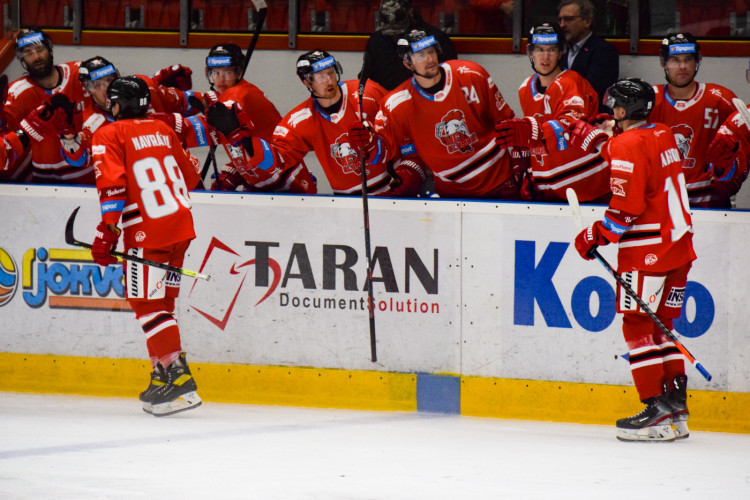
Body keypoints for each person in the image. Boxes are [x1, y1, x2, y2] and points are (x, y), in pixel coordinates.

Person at [569, 78, 695, 442]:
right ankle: (675, 408)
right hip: (679, 247)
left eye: (614, 107)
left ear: (623, 110)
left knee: (637, 327)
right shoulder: (663, 133)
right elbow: (635, 155)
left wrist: (594, 235)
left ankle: (655, 409)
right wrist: (603, 139)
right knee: (663, 327)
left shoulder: (626, 144)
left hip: (647, 252)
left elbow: (625, 209)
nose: (611, 112)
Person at [90, 76, 203, 417]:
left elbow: (112, 186)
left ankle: (179, 377)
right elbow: (192, 177)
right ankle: (161, 375)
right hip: (181, 228)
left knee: (147, 306)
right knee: (162, 305)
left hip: (147, 233)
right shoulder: (163, 130)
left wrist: (107, 232)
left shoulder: (108, 134)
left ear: (116, 105)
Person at [223, 49, 423, 196]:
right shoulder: (300, 121)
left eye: (331, 72)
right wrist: (247, 142)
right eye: (320, 76)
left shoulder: (368, 93)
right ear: (306, 82)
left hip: (392, 191)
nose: (329, 80)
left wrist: (411, 168)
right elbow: (279, 162)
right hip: (346, 201)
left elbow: (403, 126)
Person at [351, 30, 522, 199]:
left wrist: (519, 165)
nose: (430, 59)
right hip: (451, 194)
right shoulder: (395, 104)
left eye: (431, 51)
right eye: (421, 55)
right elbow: (383, 152)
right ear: (408, 64)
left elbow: (507, 122)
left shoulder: (472, 74)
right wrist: (368, 142)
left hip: (499, 183)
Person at [167, 43, 316, 193]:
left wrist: (163, 125)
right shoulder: (228, 96)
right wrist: (233, 172)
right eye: (216, 73)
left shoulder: (239, 95)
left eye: (227, 73)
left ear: (238, 72)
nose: (221, 79)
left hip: (289, 181)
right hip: (263, 181)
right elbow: (246, 144)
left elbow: (205, 128)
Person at [501, 23, 610, 203]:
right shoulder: (525, 88)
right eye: (539, 50)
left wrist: (533, 130)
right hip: (551, 188)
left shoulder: (572, 82)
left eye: (551, 50)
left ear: (560, 53)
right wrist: (529, 173)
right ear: (531, 53)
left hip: (586, 187)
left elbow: (570, 127)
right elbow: (532, 141)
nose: (545, 57)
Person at [648, 32, 739, 208]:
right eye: (675, 60)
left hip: (710, 204)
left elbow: (742, 150)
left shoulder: (721, 99)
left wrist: (727, 182)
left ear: (697, 61)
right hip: (661, 204)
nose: (682, 66)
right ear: (664, 62)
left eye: (688, 59)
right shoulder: (649, 100)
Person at [4, 28, 90, 184]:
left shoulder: (80, 74)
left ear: (50, 49)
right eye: (28, 53)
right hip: (43, 182)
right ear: (22, 60)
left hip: (89, 176)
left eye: (40, 49)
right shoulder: (16, 93)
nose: (36, 57)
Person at [361, 0, 458, 91]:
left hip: (427, 97)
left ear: (411, 14)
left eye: (399, 28)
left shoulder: (434, 38)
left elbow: (450, 76)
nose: (395, 34)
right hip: (387, 98)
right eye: (389, 29)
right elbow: (366, 79)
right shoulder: (376, 40)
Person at [557, 0, 619, 113]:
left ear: (587, 21)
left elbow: (591, 90)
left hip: (592, 117)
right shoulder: (560, 50)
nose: (562, 25)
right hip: (562, 115)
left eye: (569, 19)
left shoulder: (604, 50)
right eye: (560, 19)